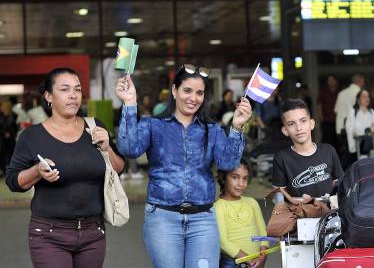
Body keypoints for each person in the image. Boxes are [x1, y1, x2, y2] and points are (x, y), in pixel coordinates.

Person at [115, 63, 252, 268]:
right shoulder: (153, 125)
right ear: (174, 90)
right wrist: (129, 103)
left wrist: (237, 126)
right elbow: (129, 149)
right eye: (187, 90)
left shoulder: (211, 130)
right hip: (162, 218)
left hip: (203, 220)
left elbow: (229, 163)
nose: (193, 98)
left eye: (199, 93)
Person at [5, 67, 125, 268]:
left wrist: (106, 149)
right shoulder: (32, 136)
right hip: (48, 234)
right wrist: (36, 171)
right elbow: (12, 181)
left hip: (93, 232)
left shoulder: (94, 126)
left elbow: (119, 169)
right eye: (65, 89)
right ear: (49, 96)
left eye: (77, 90)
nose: (73, 95)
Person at [272, 99, 343, 200]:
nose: (299, 128)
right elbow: (279, 193)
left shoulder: (328, 150)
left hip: (329, 212)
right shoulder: (282, 158)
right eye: (291, 124)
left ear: (312, 124)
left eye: (303, 121)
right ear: (285, 130)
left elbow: (340, 183)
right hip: (299, 213)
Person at [215, 158, 268, 268]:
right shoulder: (218, 207)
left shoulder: (252, 203)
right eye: (235, 177)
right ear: (223, 178)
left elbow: (264, 234)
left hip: (256, 262)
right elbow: (223, 242)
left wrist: (262, 257)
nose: (241, 184)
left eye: (245, 179)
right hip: (231, 263)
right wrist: (249, 259)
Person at [344, 89, 374, 165]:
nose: (367, 98)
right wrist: (352, 148)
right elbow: (349, 129)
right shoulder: (353, 112)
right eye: (364, 96)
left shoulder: (372, 112)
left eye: (368, 96)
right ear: (358, 100)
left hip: (370, 145)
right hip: (357, 145)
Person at [317, 76, 338, 147]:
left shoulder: (339, 92)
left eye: (332, 80)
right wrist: (321, 118)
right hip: (327, 120)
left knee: (337, 140)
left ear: (335, 81)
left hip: (338, 120)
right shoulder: (323, 92)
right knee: (327, 139)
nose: (330, 82)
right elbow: (319, 106)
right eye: (328, 81)